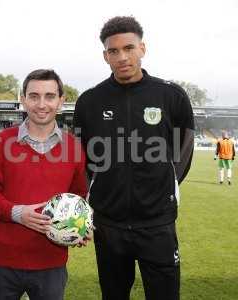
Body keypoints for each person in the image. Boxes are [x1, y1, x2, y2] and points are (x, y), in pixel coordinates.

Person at [73, 16, 194, 300]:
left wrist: (167, 186)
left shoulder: (171, 95)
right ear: (105, 56)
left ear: (143, 48)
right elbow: (81, 158)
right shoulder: (89, 101)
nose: (122, 57)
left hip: (157, 223)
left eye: (129, 48)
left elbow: (184, 148)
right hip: (108, 224)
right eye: (113, 51)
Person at [0, 69, 88, 300]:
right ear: (23, 99)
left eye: (50, 96)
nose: (42, 104)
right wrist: (18, 213)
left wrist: (80, 226)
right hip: (3, 261)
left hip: (51, 263)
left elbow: (78, 199)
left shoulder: (74, 147)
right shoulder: (3, 141)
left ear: (61, 101)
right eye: (34, 96)